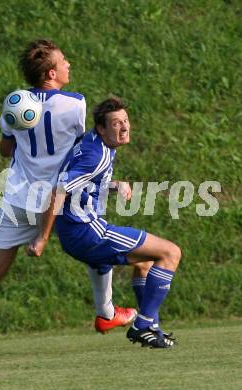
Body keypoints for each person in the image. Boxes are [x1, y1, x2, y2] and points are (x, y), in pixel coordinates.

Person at [0, 40, 135, 361]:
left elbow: (5, 151)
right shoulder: (75, 104)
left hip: (19, 197)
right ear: (51, 73)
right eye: (64, 61)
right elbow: (84, 151)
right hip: (60, 200)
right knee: (95, 241)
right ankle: (106, 312)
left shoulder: (14, 102)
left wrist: (22, 133)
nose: (69, 64)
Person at [27, 96, 181, 348]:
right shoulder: (96, 154)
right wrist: (42, 238)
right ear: (101, 128)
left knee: (145, 264)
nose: (124, 127)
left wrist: (113, 185)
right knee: (171, 253)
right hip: (88, 232)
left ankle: (151, 327)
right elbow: (58, 191)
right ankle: (143, 325)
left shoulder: (95, 144)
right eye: (116, 123)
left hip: (75, 233)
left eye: (126, 121)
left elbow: (79, 183)